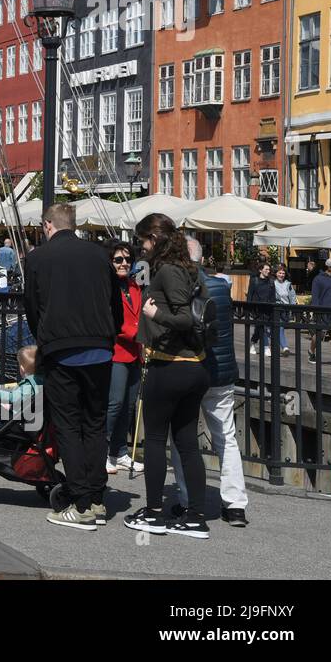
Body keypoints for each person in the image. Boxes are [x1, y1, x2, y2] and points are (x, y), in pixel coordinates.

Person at [22, 203, 120, 531]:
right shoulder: (98, 256)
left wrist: (45, 340)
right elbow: (115, 305)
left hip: (62, 351)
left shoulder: (37, 259)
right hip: (101, 350)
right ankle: (96, 498)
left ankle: (80, 504)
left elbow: (32, 308)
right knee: (95, 424)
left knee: (68, 425)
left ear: (49, 225)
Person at [125, 213, 212, 539]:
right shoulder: (191, 269)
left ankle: (154, 514)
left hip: (171, 365)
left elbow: (184, 318)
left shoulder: (169, 270)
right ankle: (194, 517)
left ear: (156, 239)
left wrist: (153, 313)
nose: (142, 247)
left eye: (144, 240)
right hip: (193, 367)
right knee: (187, 443)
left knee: (157, 441)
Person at [168, 236, 249, 527]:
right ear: (202, 258)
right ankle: (235, 504)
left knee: (182, 439)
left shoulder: (181, 287)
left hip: (191, 371)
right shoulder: (222, 287)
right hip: (222, 373)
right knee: (225, 437)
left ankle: (188, 500)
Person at [105, 241, 144, 475]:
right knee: (115, 403)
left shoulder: (135, 286)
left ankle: (119, 451)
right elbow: (110, 320)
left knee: (129, 406)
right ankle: (102, 450)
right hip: (117, 351)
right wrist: (135, 333)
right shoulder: (107, 286)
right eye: (118, 259)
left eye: (127, 259)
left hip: (135, 352)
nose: (124, 263)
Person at [310, 256, 331, 362]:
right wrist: (316, 311)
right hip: (323, 312)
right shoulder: (318, 279)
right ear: (329, 267)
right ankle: (311, 352)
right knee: (319, 335)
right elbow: (315, 296)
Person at [246, 261, 276, 357]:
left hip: (267, 308)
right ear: (260, 270)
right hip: (257, 309)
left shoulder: (271, 281)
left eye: (269, 269)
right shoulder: (254, 280)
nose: (268, 271)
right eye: (266, 269)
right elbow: (250, 294)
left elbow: (273, 296)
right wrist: (249, 308)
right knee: (261, 327)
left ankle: (253, 343)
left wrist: (273, 307)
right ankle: (266, 347)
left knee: (260, 327)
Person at [273, 264, 296, 356]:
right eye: (280, 273)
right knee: (280, 328)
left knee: (277, 329)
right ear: (276, 274)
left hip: (286, 309)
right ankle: (285, 347)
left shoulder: (288, 284)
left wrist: (293, 308)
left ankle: (270, 345)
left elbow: (292, 297)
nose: (281, 275)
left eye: (283, 273)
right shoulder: (272, 283)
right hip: (277, 309)